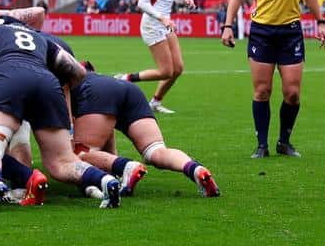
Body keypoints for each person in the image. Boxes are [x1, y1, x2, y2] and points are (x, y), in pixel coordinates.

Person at [0, 20, 122, 210]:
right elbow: (77, 71)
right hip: (48, 84)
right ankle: (105, 180)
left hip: (9, 76)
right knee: (62, 161)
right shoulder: (42, 39)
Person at [221, 0, 325, 158]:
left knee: (292, 93)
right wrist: (227, 25)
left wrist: (321, 21)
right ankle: (262, 145)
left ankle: (284, 141)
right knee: (262, 91)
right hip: (262, 32)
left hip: (290, 32)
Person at [73, 64, 220, 198]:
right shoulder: (77, 69)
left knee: (81, 154)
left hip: (97, 92)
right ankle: (196, 169)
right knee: (155, 151)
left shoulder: (65, 84)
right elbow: (106, 133)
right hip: (128, 89)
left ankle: (127, 167)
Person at [115, 0, 195, 113]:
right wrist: (161, 17)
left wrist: (185, 0)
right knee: (166, 71)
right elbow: (142, 3)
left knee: (178, 69)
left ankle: (155, 102)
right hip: (152, 24)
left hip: (166, 23)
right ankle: (125, 78)